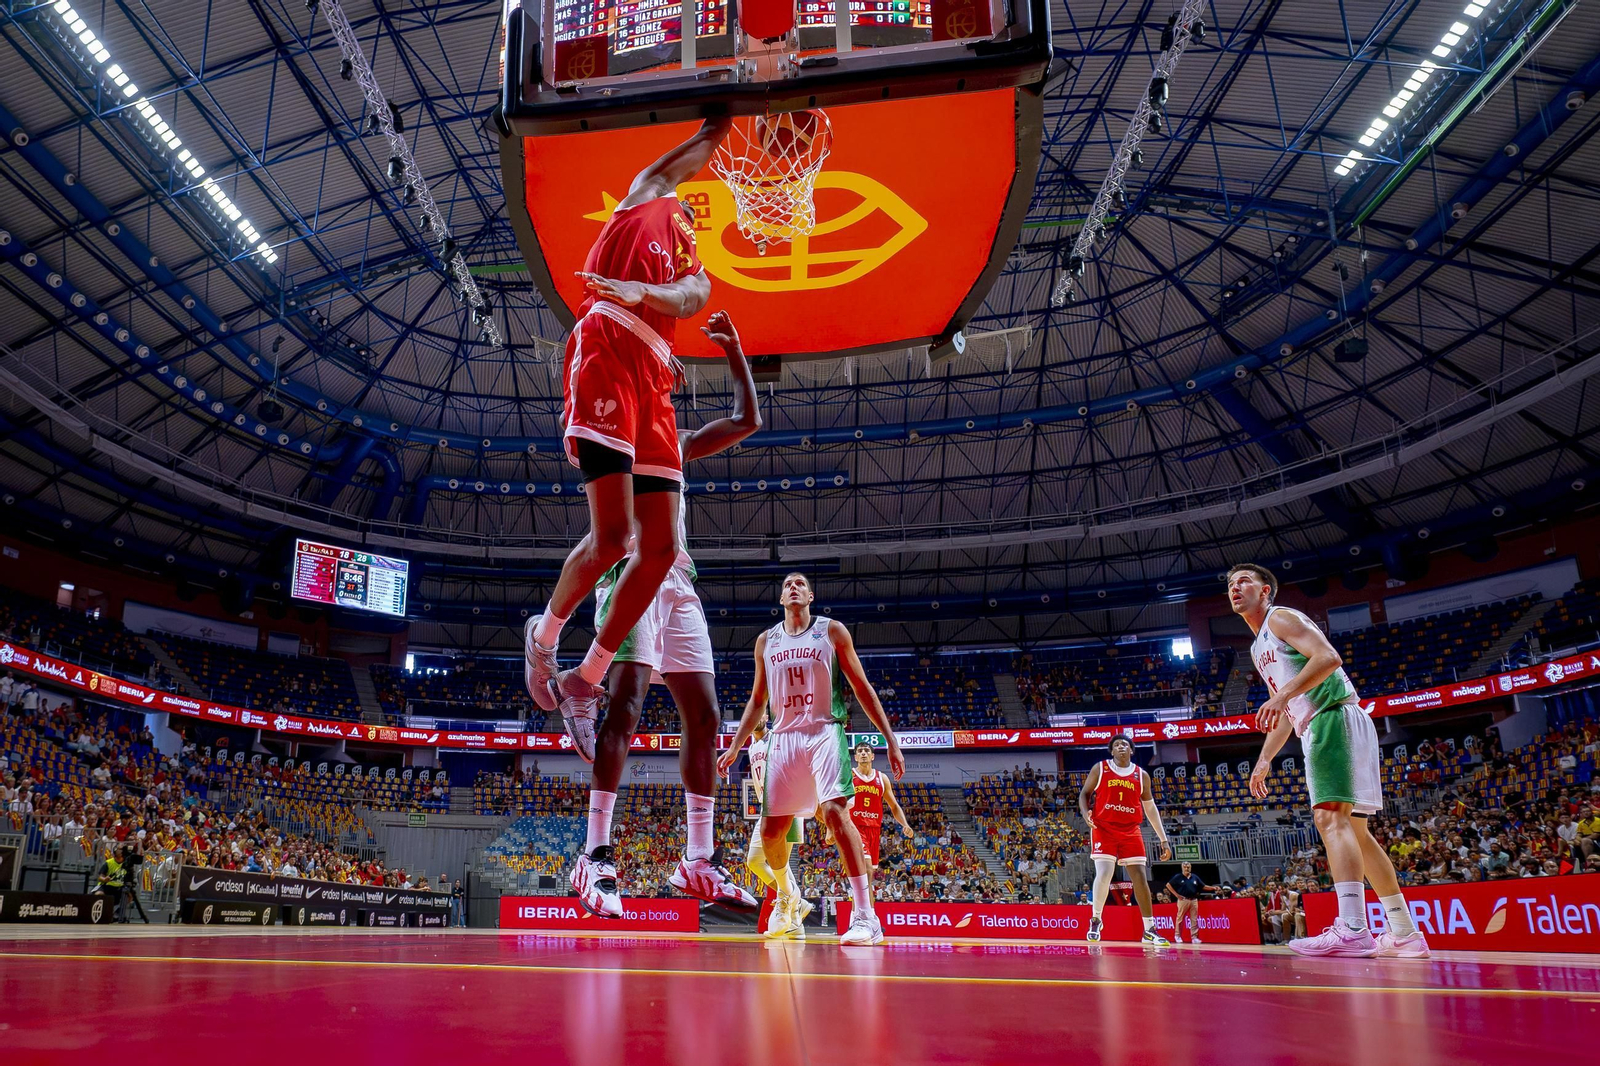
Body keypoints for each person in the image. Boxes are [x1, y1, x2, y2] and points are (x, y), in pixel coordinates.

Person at [524, 116, 735, 756]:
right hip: (608, 342)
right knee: (613, 536)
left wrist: (649, 287)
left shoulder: (693, 266)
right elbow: (696, 148)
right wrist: (732, 104)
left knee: (662, 548)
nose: (691, 213)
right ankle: (543, 636)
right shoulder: (647, 193)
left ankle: (584, 681)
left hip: (656, 376)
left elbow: (692, 298)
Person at [569, 311, 762, 917]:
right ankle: (595, 853)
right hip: (628, 571)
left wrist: (735, 351)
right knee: (625, 701)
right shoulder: (617, 429)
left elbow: (748, 421)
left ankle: (697, 859)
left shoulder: (671, 439)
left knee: (704, 714)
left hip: (679, 580)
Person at [1229, 562, 1430, 959]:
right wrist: (1265, 759)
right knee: (1356, 832)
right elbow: (1287, 711)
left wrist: (1283, 694)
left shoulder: (1281, 618)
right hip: (1328, 721)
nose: (1236, 588)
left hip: (1330, 717)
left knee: (1329, 819)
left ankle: (1353, 928)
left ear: (1266, 590)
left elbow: (1328, 658)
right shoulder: (1257, 647)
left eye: (1245, 581)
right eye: (1231, 585)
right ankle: (1405, 932)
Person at [718, 572, 906, 946]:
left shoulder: (832, 631)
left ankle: (866, 916)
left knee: (836, 813)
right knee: (771, 834)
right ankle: (788, 896)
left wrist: (890, 738)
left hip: (824, 730)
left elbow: (861, 687)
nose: (793, 587)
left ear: (811, 596)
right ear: (780, 597)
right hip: (783, 738)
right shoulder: (765, 641)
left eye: (800, 583)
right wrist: (736, 744)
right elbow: (758, 701)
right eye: (787, 583)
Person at [1079, 735, 1172, 945]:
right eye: (1117, 745)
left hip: (1130, 829)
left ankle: (1149, 930)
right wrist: (1086, 814)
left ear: (1132, 750)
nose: (1121, 746)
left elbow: (1150, 808)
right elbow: (1084, 793)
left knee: (1139, 876)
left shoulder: (1142, 776)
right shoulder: (1101, 768)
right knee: (1104, 872)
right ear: (1112, 751)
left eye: (1125, 744)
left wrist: (1163, 839)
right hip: (1104, 827)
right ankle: (1096, 919)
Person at [742, 721, 813, 935]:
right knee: (754, 861)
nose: (758, 717)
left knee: (779, 862)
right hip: (767, 808)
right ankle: (796, 905)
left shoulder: (777, 737)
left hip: (788, 804)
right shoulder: (752, 746)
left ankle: (793, 910)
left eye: (762, 712)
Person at [844, 740, 912, 882]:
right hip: (855, 828)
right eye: (860, 751)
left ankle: (862, 904)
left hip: (874, 830)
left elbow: (893, 806)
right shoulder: (849, 776)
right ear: (855, 757)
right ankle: (866, 905)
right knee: (866, 870)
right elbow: (838, 803)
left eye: (867, 751)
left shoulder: (882, 778)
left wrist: (905, 824)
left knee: (868, 877)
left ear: (872, 756)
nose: (863, 753)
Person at [1164, 860, 1216, 944]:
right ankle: (1177, 936)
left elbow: (1203, 886)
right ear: (1182, 868)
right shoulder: (1178, 877)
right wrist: (1176, 895)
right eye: (1185, 867)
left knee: (1194, 919)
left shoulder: (1195, 877)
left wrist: (1213, 888)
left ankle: (1194, 937)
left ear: (1191, 867)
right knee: (1180, 918)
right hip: (1183, 900)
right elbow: (1168, 885)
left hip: (1194, 900)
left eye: (1188, 867)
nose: (1187, 868)